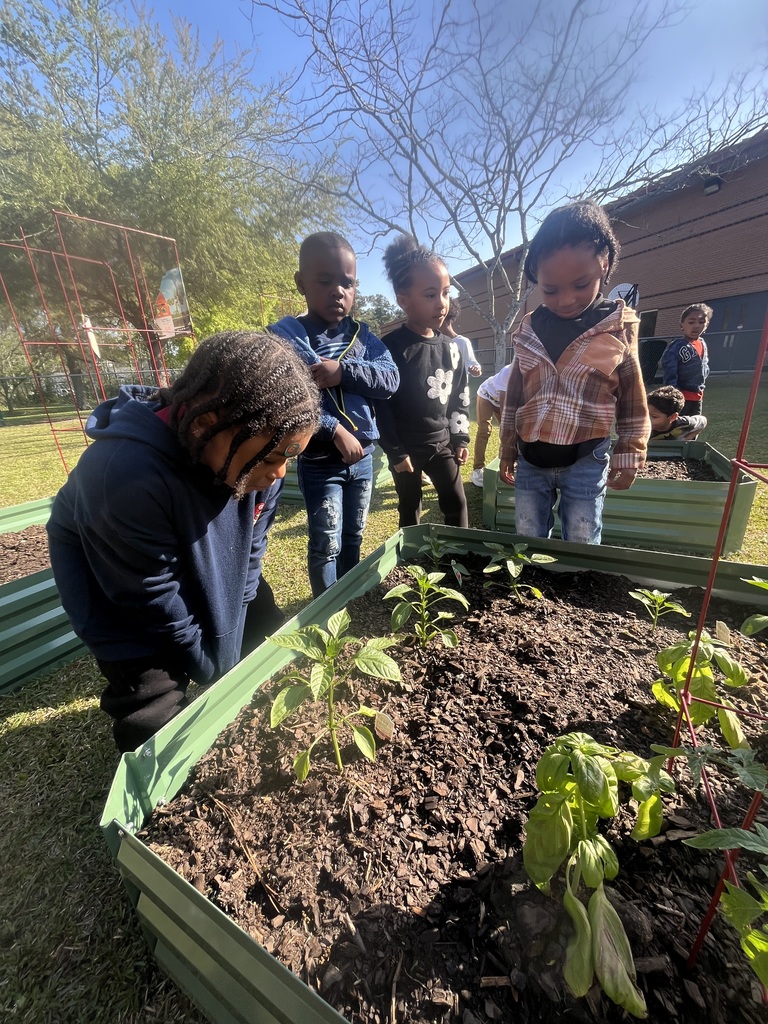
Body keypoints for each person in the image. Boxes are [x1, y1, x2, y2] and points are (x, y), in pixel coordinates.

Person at [46, 331, 321, 753]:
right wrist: (209, 663)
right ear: (204, 425)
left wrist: (236, 627)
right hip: (123, 584)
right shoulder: (122, 474)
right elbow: (152, 596)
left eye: (290, 457)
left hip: (205, 543)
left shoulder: (262, 454)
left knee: (268, 644)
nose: (280, 472)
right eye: (272, 459)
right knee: (151, 699)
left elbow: (250, 554)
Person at [499, 200, 650, 544]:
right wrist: (507, 447)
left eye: (581, 284)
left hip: (585, 456)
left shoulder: (618, 327)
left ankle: (577, 584)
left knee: (582, 535)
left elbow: (632, 397)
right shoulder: (528, 329)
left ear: (605, 264)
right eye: (550, 289)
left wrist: (630, 451)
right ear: (537, 279)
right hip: (532, 458)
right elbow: (515, 396)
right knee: (527, 534)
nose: (566, 299)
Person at [269, 232, 399, 597]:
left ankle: (349, 599)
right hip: (320, 460)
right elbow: (288, 400)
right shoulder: (289, 340)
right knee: (326, 541)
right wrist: (332, 430)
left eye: (347, 283)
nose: (337, 291)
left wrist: (343, 372)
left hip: (364, 462)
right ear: (301, 283)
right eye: (325, 281)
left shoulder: (364, 338)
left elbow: (390, 379)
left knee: (354, 534)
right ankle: (326, 611)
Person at [377, 234, 470, 528]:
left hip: (441, 444)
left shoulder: (452, 348)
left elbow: (459, 395)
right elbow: (381, 405)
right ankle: (412, 566)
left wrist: (460, 437)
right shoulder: (390, 348)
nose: (441, 303)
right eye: (430, 295)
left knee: (456, 501)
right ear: (403, 300)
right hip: (406, 448)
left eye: (445, 292)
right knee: (410, 508)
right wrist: (395, 451)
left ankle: (463, 559)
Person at [662, 302, 712, 415]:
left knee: (694, 427)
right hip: (681, 396)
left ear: (706, 325)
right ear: (682, 325)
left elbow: (704, 366)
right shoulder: (677, 346)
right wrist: (674, 393)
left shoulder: (703, 344)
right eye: (691, 322)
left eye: (701, 322)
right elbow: (670, 370)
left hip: (697, 396)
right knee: (679, 428)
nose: (696, 326)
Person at [471, 363, 512, 487]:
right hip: (486, 395)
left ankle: (506, 460)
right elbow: (505, 409)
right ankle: (477, 469)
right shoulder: (508, 371)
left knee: (510, 432)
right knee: (485, 430)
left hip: (500, 400)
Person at [441, 298, 482, 377]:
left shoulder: (462, 342)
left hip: (458, 388)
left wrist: (476, 371)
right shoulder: (434, 342)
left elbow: (473, 366)